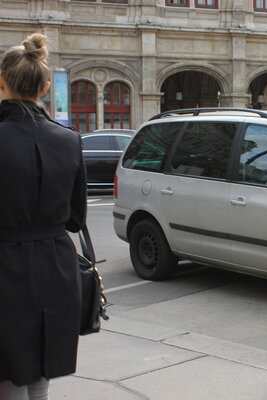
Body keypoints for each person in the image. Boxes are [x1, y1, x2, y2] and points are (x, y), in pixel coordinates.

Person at [0, 33, 87, 399]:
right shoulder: (69, 139)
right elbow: (76, 218)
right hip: (55, 265)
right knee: (41, 367)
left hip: (5, 264)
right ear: (46, 87)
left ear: (1, 83)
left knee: (7, 371)